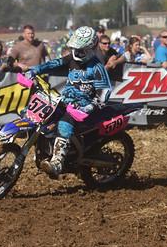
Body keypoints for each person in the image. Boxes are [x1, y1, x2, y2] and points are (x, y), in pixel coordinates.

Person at [27, 26, 112, 178]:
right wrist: (36, 70)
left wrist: (91, 106)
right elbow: (55, 63)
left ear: (91, 47)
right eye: (76, 48)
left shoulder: (97, 67)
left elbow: (105, 91)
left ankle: (57, 162)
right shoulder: (72, 58)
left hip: (84, 107)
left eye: (81, 49)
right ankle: (43, 150)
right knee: (42, 115)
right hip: (65, 101)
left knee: (64, 123)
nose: (78, 52)